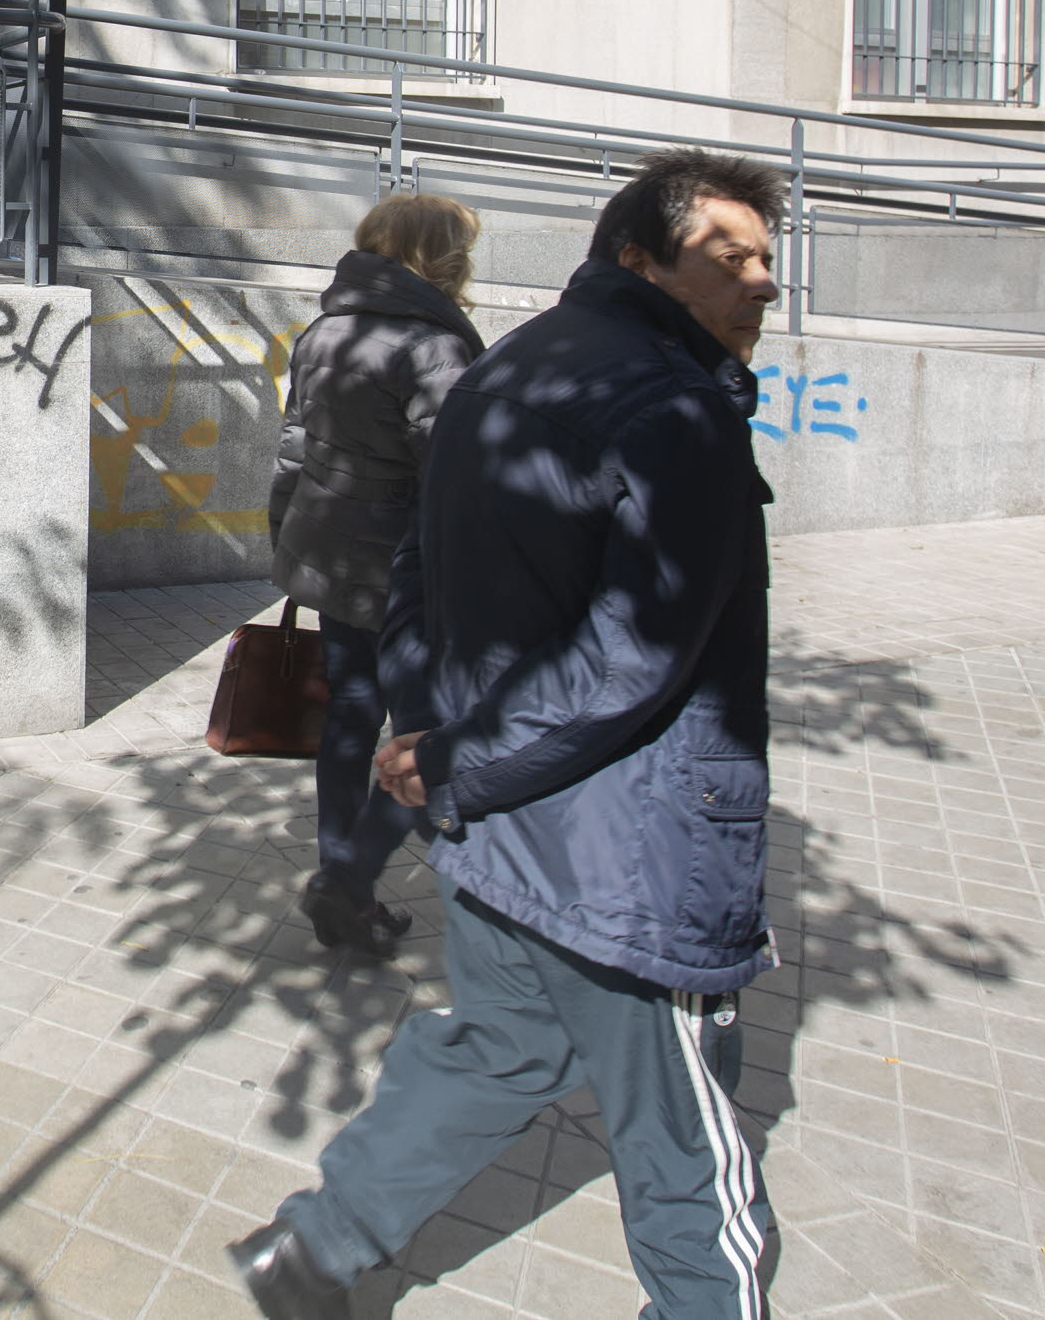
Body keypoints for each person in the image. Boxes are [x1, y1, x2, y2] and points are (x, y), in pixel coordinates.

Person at [229, 147, 789, 1320]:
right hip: (620, 850)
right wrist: (450, 750)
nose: (762, 282)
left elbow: (420, 554)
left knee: (496, 1049)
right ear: (639, 258)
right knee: (688, 1143)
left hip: (494, 817)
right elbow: (636, 659)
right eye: (728, 256)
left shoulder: (512, 364)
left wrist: (436, 738)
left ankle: (315, 1252)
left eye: (770, 259)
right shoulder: (668, 407)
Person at [266, 192, 486, 958]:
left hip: (330, 560)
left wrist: (284, 539)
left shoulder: (326, 330)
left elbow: (294, 447)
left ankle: (341, 880)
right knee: (428, 740)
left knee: (350, 724)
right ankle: (362, 883)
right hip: (405, 577)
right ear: (439, 256)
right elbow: (459, 483)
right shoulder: (434, 348)